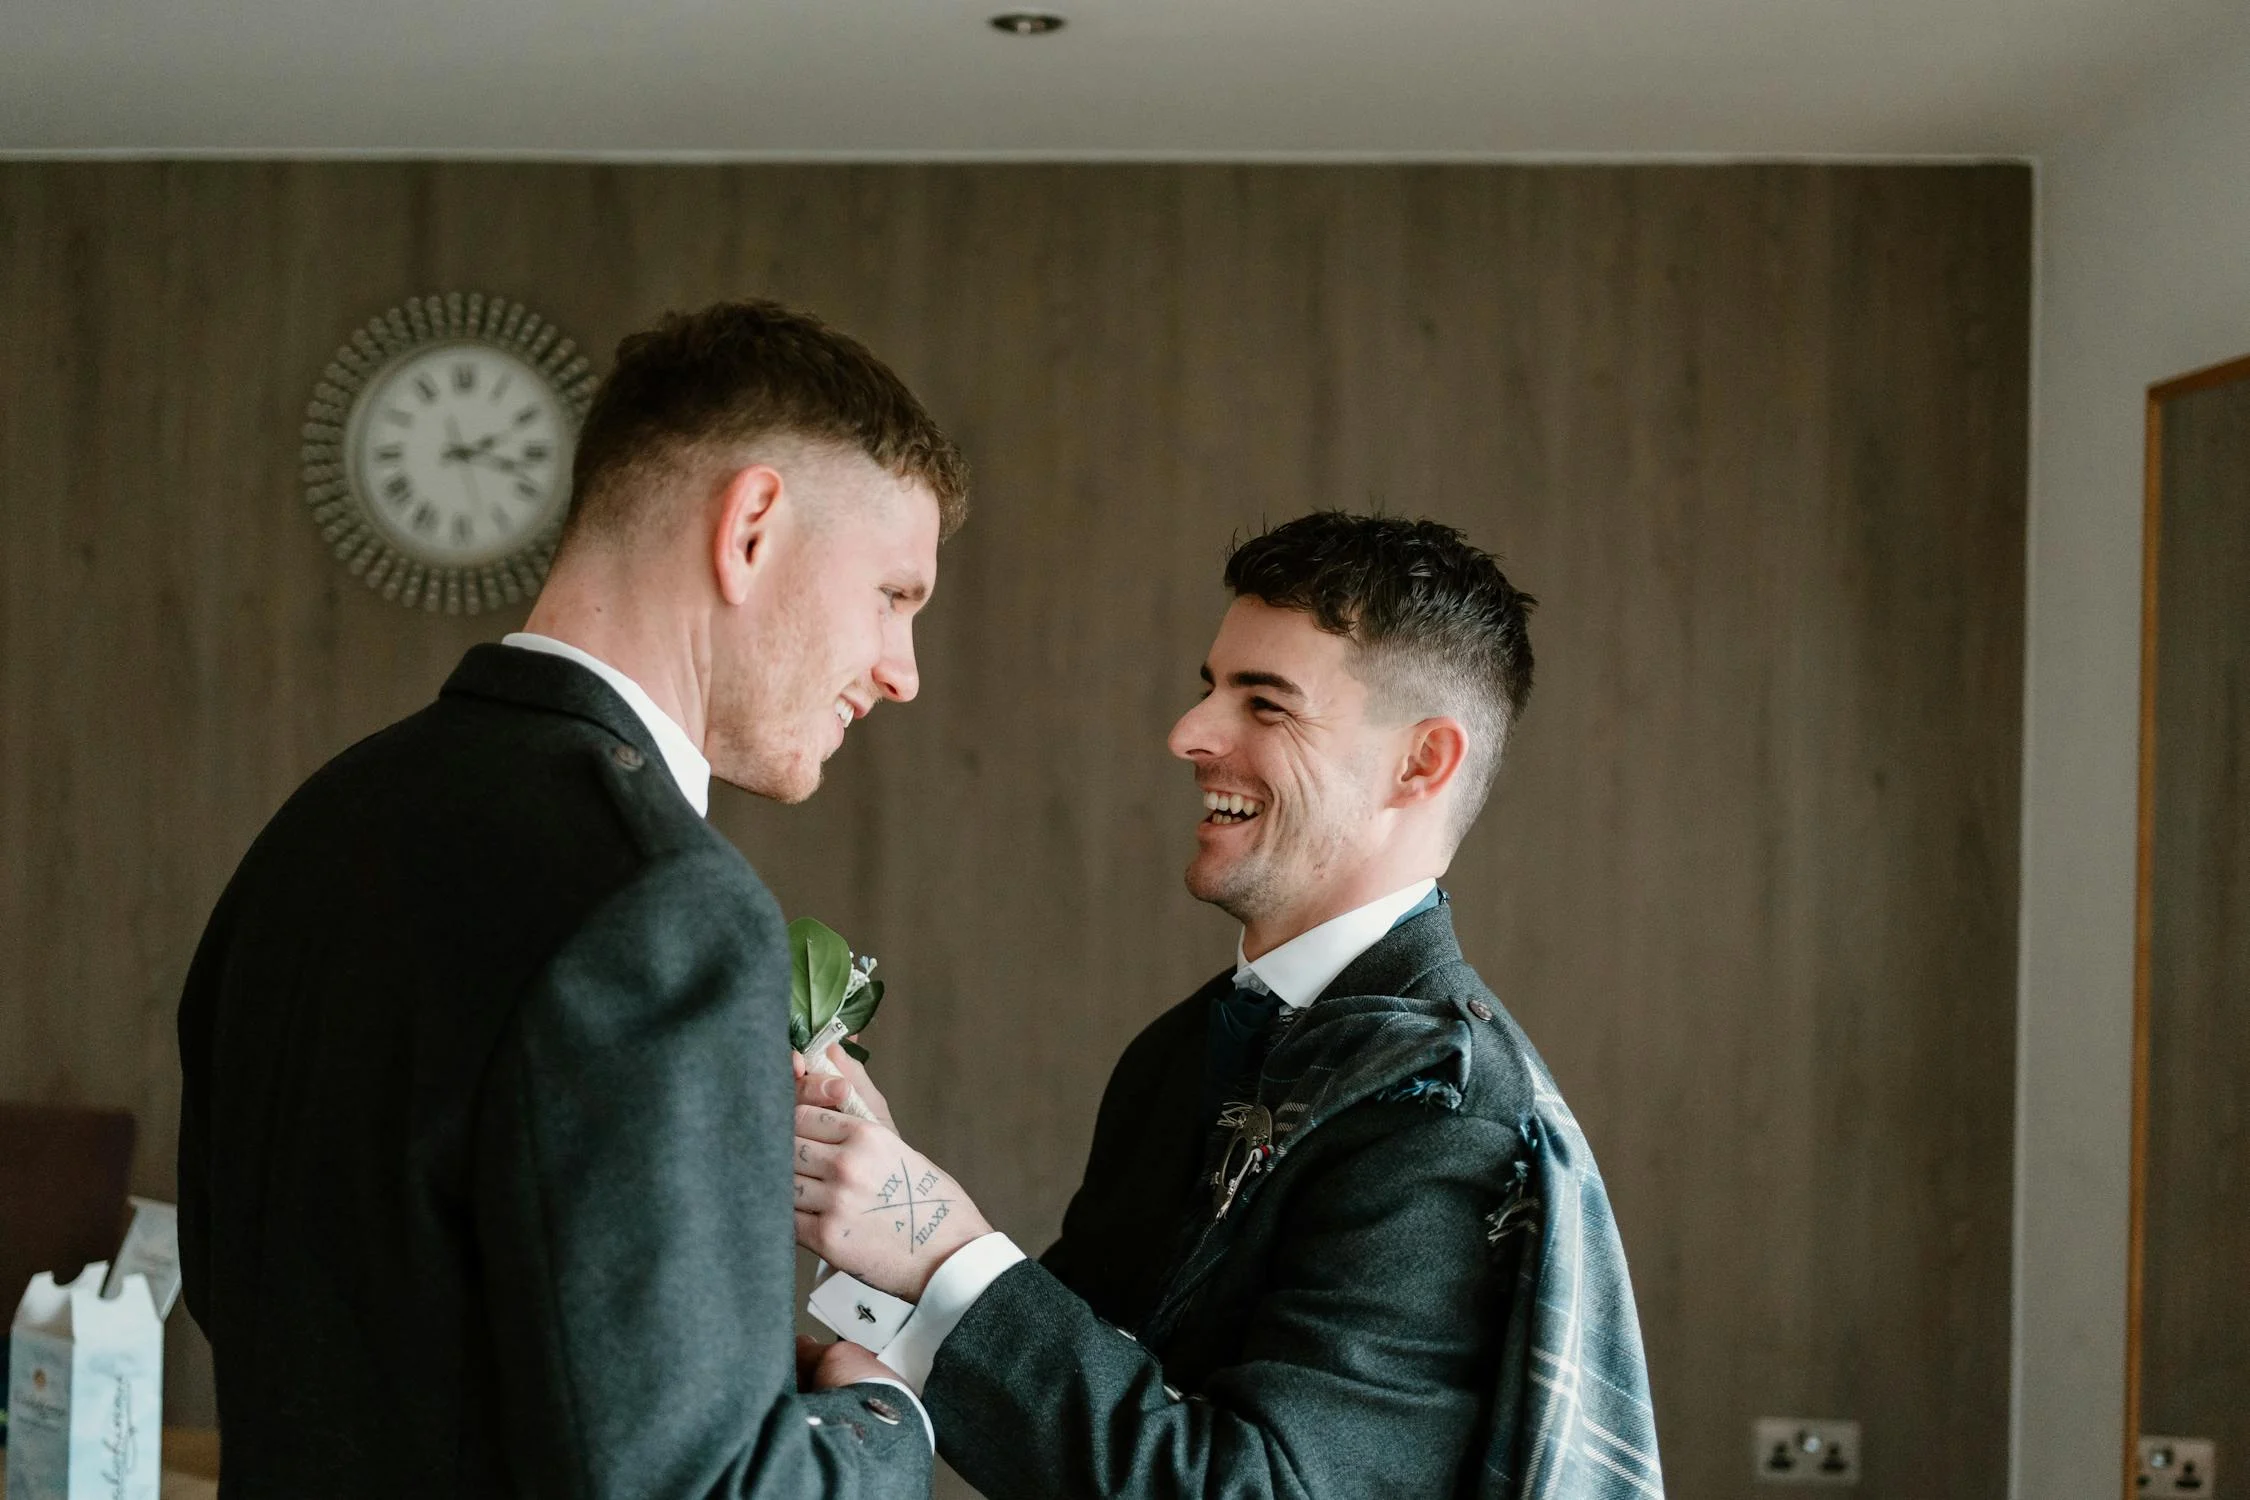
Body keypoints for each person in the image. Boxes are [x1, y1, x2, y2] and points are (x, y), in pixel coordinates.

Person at [177, 300, 966, 1498]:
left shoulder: (321, 824)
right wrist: (879, 1421)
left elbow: (271, 1312)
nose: (903, 673)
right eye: (895, 598)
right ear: (752, 527)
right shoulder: (661, 905)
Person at [791, 512, 1665, 1499]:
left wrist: (938, 1243)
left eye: (1267, 704)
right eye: (1211, 689)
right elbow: (1075, 1414)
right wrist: (870, 1198)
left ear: (1421, 763)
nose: (1190, 734)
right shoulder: (1179, 1050)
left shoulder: (1450, 1117)